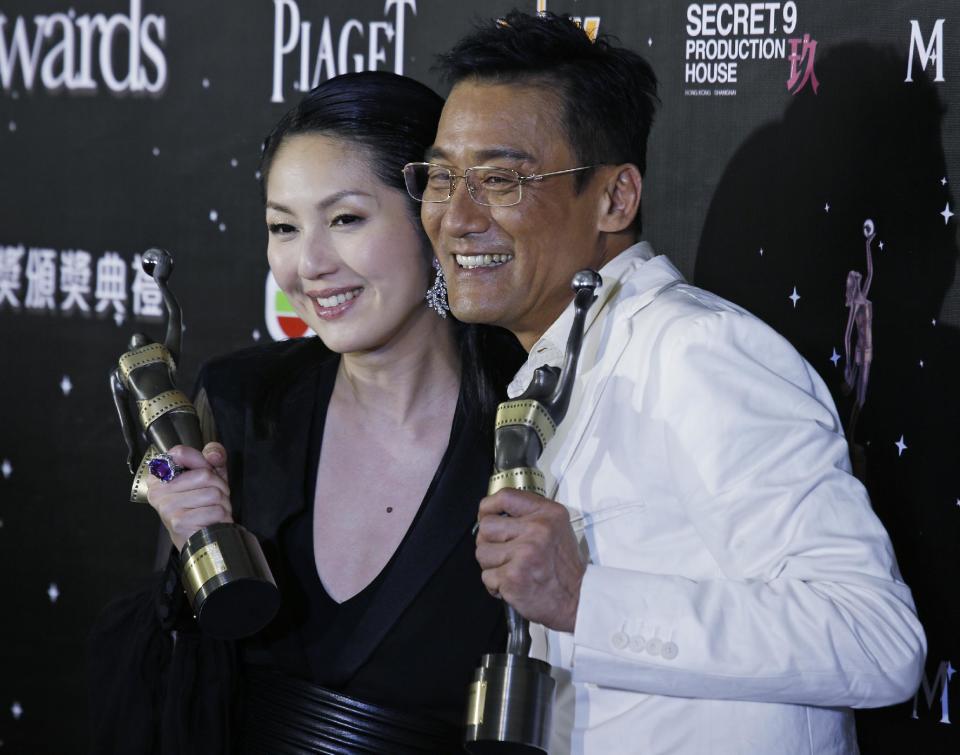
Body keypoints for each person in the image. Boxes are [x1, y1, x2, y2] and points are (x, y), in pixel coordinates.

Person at [404, 11, 927, 754]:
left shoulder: (697, 353)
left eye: (500, 179)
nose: (456, 216)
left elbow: (876, 639)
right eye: (443, 176)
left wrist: (589, 600)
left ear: (616, 199)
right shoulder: (560, 359)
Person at [89, 71, 522, 754]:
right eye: (282, 227)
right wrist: (186, 549)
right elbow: (179, 687)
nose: (309, 264)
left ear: (432, 213)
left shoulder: (526, 430)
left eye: (346, 218)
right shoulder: (241, 402)